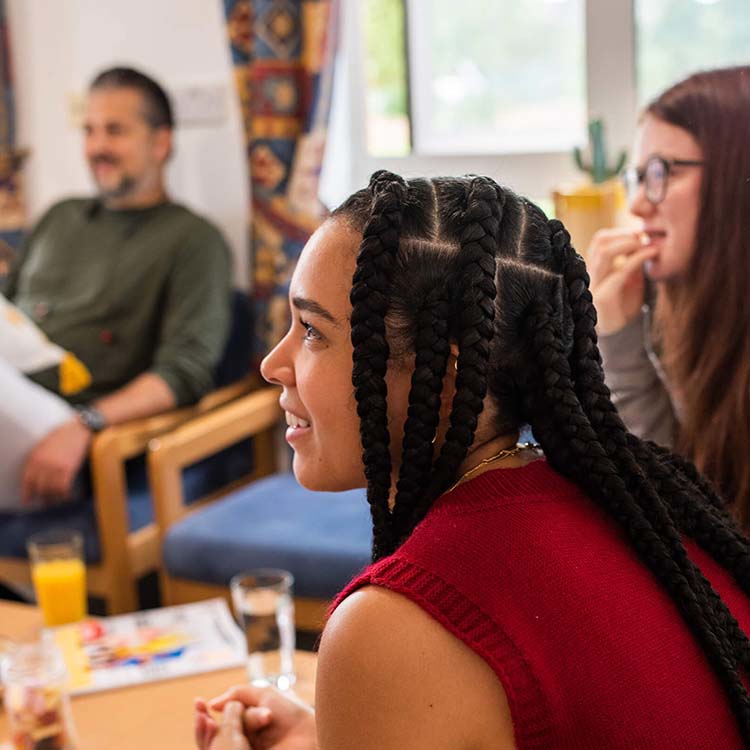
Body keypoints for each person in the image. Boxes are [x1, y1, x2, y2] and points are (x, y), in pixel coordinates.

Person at [193, 171, 750, 749]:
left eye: (311, 331)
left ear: (449, 373)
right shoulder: (644, 508)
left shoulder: (392, 627)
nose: (271, 364)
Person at [0, 67, 232, 509]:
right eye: (89, 130)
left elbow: (184, 372)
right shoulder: (59, 217)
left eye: (115, 131)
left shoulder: (193, 240)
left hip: (67, 435)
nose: (96, 147)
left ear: (161, 142)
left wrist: (83, 425)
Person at [588, 66, 750, 525]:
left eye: (662, 172)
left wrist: (620, 351)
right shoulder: (699, 314)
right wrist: (616, 338)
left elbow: (696, 532)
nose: (639, 204)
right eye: (638, 177)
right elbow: (689, 497)